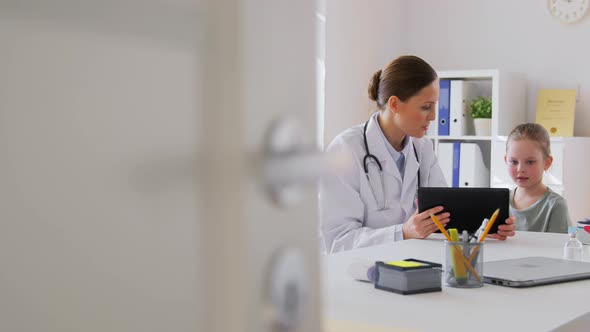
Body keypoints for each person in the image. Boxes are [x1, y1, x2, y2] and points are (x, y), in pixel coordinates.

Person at [319, 55, 515, 253]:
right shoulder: (345, 150)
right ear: (395, 104)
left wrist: (481, 229)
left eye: (435, 105)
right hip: (361, 271)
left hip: (413, 264)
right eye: (426, 107)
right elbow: (337, 241)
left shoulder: (422, 148)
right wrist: (402, 233)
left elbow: (445, 217)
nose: (434, 116)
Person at [505, 123, 570, 233]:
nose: (520, 169)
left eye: (530, 162)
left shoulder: (556, 205)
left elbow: (558, 248)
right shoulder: (501, 202)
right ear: (506, 161)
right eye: (514, 162)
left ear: (547, 163)